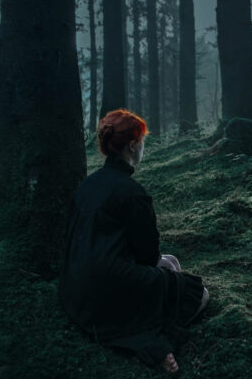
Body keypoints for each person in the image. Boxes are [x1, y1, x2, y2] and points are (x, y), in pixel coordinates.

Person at [58, 109, 208, 374]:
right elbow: (147, 253)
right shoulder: (131, 192)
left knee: (171, 262)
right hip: (110, 288)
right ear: (132, 145)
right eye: (143, 142)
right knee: (199, 293)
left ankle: (152, 322)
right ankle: (157, 341)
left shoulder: (88, 185)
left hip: (75, 291)